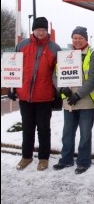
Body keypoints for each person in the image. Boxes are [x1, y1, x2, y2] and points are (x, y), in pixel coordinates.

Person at [7, 17, 61, 171]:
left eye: (44, 30)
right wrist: (12, 88)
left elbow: (59, 73)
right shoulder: (22, 45)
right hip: (25, 96)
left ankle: (43, 158)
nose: (41, 32)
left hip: (44, 96)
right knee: (27, 127)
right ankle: (26, 156)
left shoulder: (54, 48)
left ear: (47, 31)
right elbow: (13, 68)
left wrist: (59, 92)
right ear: (33, 30)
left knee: (44, 128)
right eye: (38, 29)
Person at [53, 26, 94, 174]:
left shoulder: (93, 54)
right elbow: (55, 75)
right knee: (67, 132)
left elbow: (93, 79)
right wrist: (61, 89)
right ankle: (66, 159)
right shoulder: (65, 55)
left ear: (86, 39)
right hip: (68, 101)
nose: (77, 40)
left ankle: (83, 161)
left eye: (80, 38)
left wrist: (78, 95)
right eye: (75, 38)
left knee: (85, 134)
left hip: (85, 100)